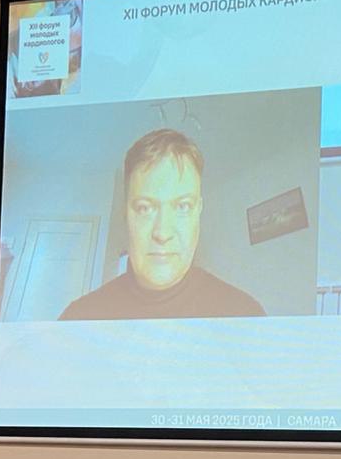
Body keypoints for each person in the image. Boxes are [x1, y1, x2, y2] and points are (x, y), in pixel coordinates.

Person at [59, 129, 264, 320]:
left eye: (182, 206)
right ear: (126, 213)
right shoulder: (77, 319)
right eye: (145, 208)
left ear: (198, 211)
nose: (162, 233)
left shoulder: (246, 315)